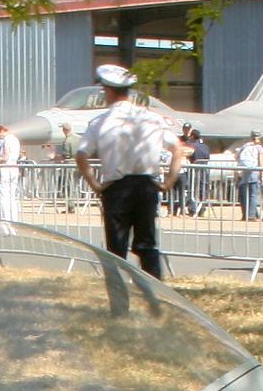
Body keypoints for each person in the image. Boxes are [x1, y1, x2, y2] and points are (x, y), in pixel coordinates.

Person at [75, 64, 183, 279]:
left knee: (116, 249)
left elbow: (81, 155)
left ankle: (119, 304)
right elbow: (177, 149)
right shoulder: (152, 118)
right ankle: (155, 299)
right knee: (147, 245)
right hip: (146, 186)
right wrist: (168, 182)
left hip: (117, 188)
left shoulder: (100, 122)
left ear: (108, 90)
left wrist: (95, 185)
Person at [236, 132, 263, 220]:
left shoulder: (245, 146)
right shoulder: (259, 147)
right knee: (253, 194)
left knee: (245, 194)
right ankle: (251, 215)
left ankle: (245, 214)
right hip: (254, 172)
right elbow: (261, 162)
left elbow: (236, 157)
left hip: (244, 172)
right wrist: (262, 174)